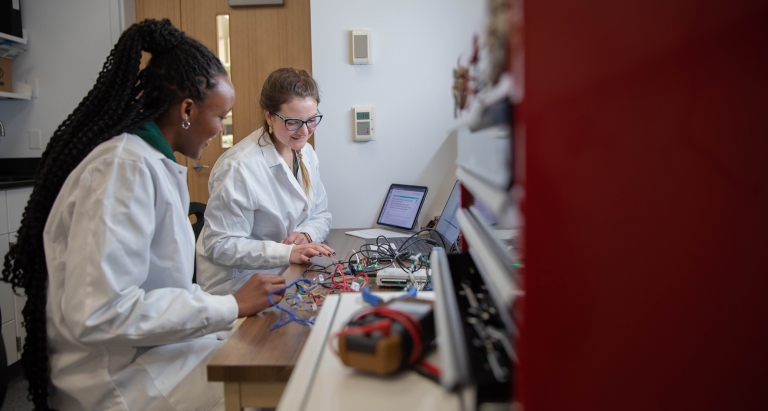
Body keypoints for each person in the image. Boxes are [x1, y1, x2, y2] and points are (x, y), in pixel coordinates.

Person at [0, 19, 286, 411]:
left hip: (147, 353)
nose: (220, 131)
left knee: (258, 348)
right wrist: (230, 306)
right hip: (114, 381)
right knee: (272, 379)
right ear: (187, 109)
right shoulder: (123, 168)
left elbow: (160, 287)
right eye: (220, 117)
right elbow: (101, 313)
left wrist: (227, 309)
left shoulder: (153, 164)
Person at [196, 68, 334, 295]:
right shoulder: (239, 166)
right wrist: (286, 252)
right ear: (269, 116)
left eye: (312, 120)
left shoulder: (306, 153)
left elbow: (321, 214)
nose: (304, 131)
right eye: (292, 122)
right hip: (237, 286)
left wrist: (306, 234)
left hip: (286, 271)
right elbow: (220, 245)